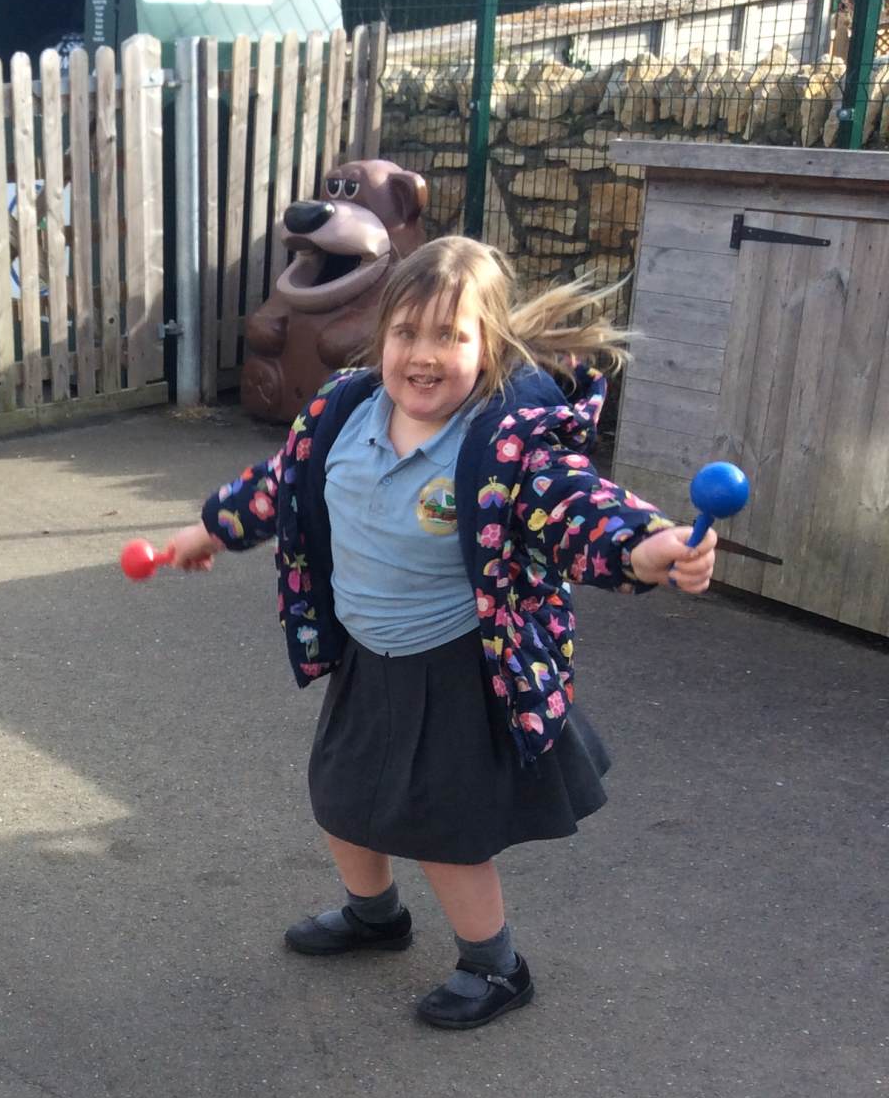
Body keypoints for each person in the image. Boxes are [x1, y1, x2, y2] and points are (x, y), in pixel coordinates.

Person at [161, 236, 719, 1030]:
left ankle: (497, 967)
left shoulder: (505, 441)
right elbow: (279, 484)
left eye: (451, 336)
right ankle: (375, 917)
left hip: (456, 662)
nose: (423, 355)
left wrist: (648, 546)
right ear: (381, 337)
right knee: (339, 795)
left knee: (444, 830)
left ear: (489, 347)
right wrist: (210, 531)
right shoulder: (342, 412)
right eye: (407, 333)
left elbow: (576, 505)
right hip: (366, 653)